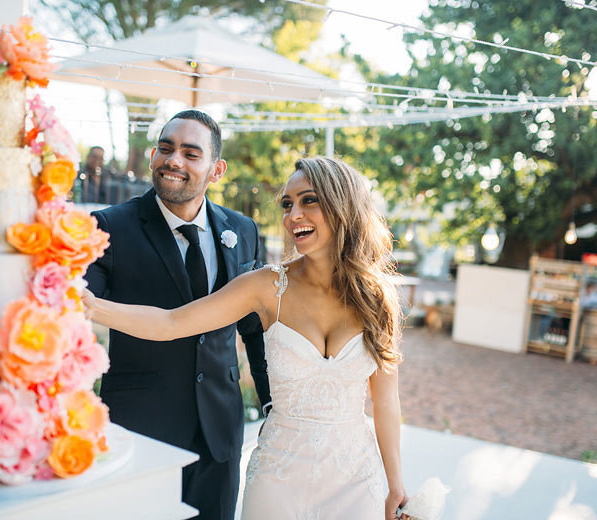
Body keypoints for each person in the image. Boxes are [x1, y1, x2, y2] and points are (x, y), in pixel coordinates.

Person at [84, 157, 409, 520]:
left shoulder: (378, 298)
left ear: (342, 204)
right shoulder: (267, 287)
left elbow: (385, 403)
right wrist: (90, 306)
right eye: (287, 204)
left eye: (308, 200)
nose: (293, 215)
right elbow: (171, 323)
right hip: (278, 479)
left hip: (354, 481)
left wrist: (395, 484)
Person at [83, 110, 271, 520]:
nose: (174, 161)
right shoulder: (108, 228)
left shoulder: (244, 230)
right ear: (153, 156)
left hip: (220, 431)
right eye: (165, 149)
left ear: (216, 169)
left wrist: (272, 402)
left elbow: (257, 331)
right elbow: (76, 310)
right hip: (139, 426)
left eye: (190, 153)